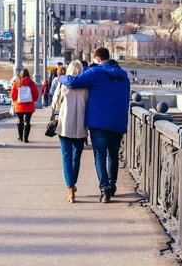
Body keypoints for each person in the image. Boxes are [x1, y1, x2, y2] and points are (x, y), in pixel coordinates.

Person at [58, 47, 130, 203]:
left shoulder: (95, 72)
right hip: (118, 121)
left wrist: (60, 76)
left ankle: (104, 190)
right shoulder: (124, 76)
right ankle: (112, 185)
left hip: (98, 122)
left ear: (96, 59)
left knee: (100, 155)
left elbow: (72, 81)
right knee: (113, 155)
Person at [55, 60, 88, 203]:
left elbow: (55, 105)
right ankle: (72, 184)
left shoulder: (62, 85)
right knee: (76, 158)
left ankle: (70, 189)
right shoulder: (86, 88)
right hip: (80, 127)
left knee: (66, 158)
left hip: (64, 127)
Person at [10, 68, 39, 143]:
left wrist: (15, 101)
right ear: (28, 74)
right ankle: (26, 138)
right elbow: (36, 94)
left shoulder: (17, 83)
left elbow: (13, 95)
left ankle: (20, 137)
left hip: (19, 106)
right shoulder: (32, 83)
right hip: (29, 106)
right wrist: (33, 100)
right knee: (27, 121)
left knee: (20, 121)